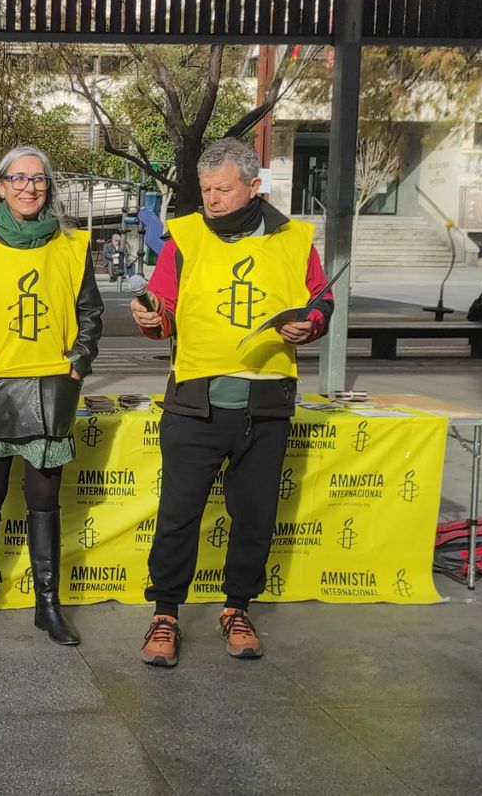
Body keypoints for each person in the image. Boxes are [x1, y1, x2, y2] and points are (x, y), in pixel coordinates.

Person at [130, 138, 330, 666]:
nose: (212, 199)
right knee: (178, 515)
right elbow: (163, 303)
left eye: (223, 189)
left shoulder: (294, 238)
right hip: (196, 403)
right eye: (206, 190)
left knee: (255, 516)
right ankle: (165, 613)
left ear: (253, 187)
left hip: (265, 406)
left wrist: (309, 323)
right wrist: (151, 318)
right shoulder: (185, 236)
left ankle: (237, 607)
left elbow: (320, 299)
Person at [0, 146, 103, 645]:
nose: (29, 187)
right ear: (0, 186)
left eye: (38, 179)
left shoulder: (72, 246)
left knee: (43, 500)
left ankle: (48, 605)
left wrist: (77, 366)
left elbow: (91, 314)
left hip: (51, 388)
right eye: (18, 178)